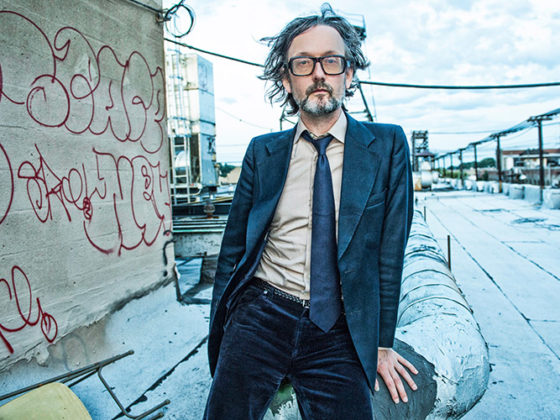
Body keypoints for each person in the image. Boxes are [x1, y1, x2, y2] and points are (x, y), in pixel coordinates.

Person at [204, 4, 417, 419]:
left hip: (339, 322)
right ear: (287, 80)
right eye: (303, 63)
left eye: (331, 61)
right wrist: (223, 328)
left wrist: (382, 342)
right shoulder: (262, 152)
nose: (319, 73)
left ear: (348, 74)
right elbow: (232, 251)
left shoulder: (388, 146)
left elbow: (390, 253)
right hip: (261, 310)